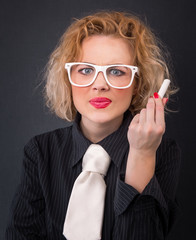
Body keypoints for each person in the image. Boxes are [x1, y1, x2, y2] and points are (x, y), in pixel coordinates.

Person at [5, 11, 181, 240]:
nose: (99, 85)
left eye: (116, 71)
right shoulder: (40, 151)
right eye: (86, 70)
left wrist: (142, 155)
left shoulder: (163, 153)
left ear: (137, 84)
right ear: (68, 79)